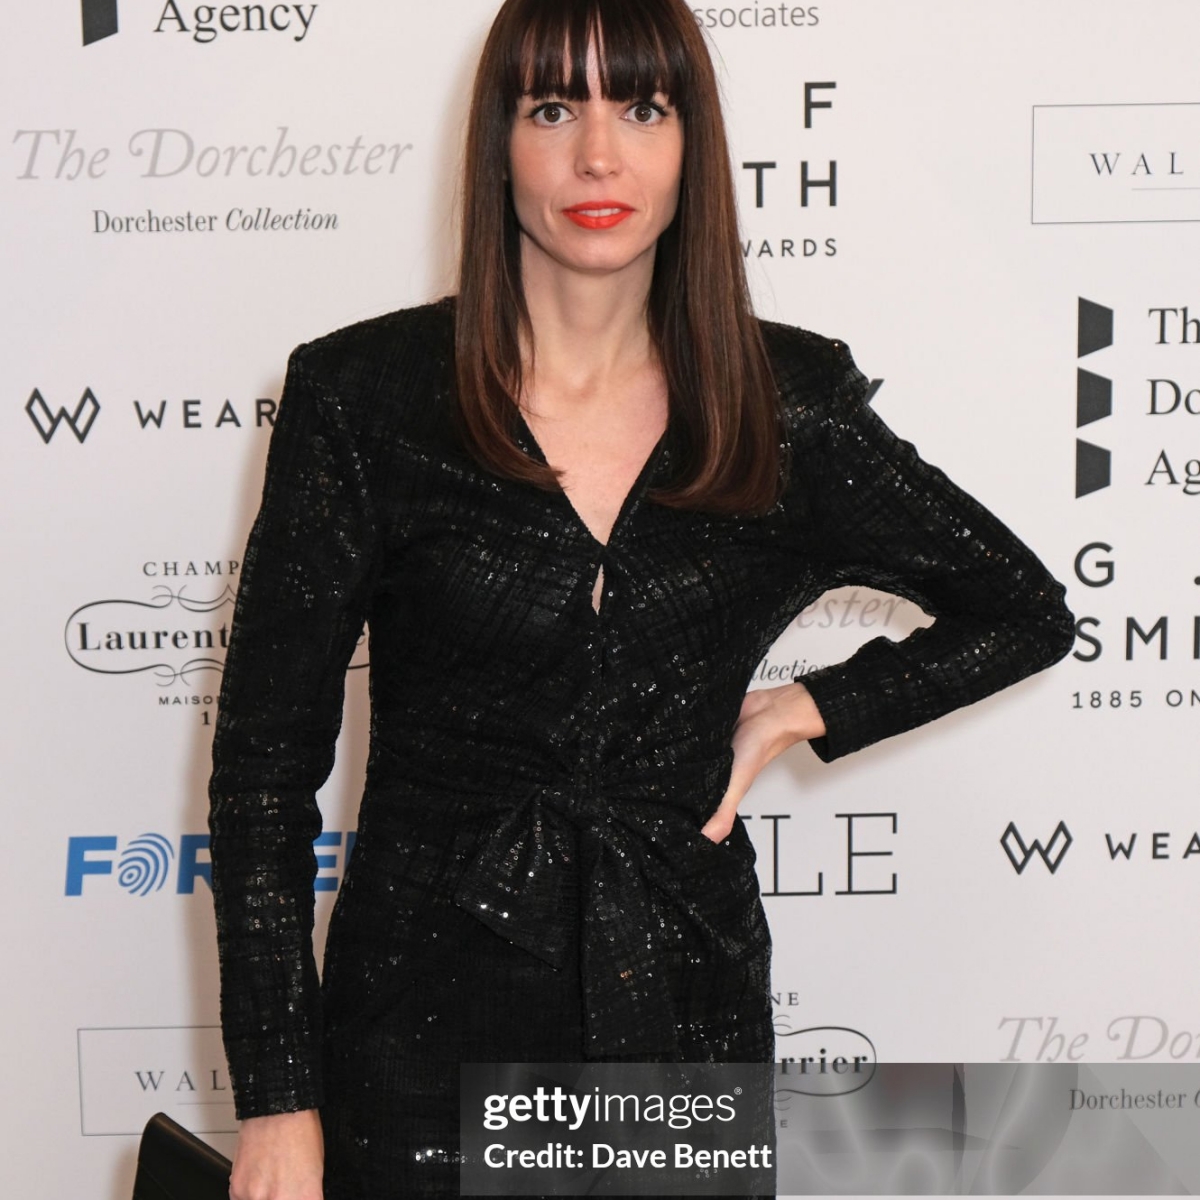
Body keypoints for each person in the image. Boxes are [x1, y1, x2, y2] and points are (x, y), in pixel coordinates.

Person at [208, 0, 1077, 1196]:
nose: (597, 156)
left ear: (691, 147)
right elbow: (263, 768)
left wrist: (807, 707)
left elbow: (1022, 609)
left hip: (682, 1002)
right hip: (418, 1021)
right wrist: (278, 1103)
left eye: (643, 108)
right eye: (553, 107)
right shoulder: (366, 397)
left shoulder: (787, 402)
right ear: (497, 142)